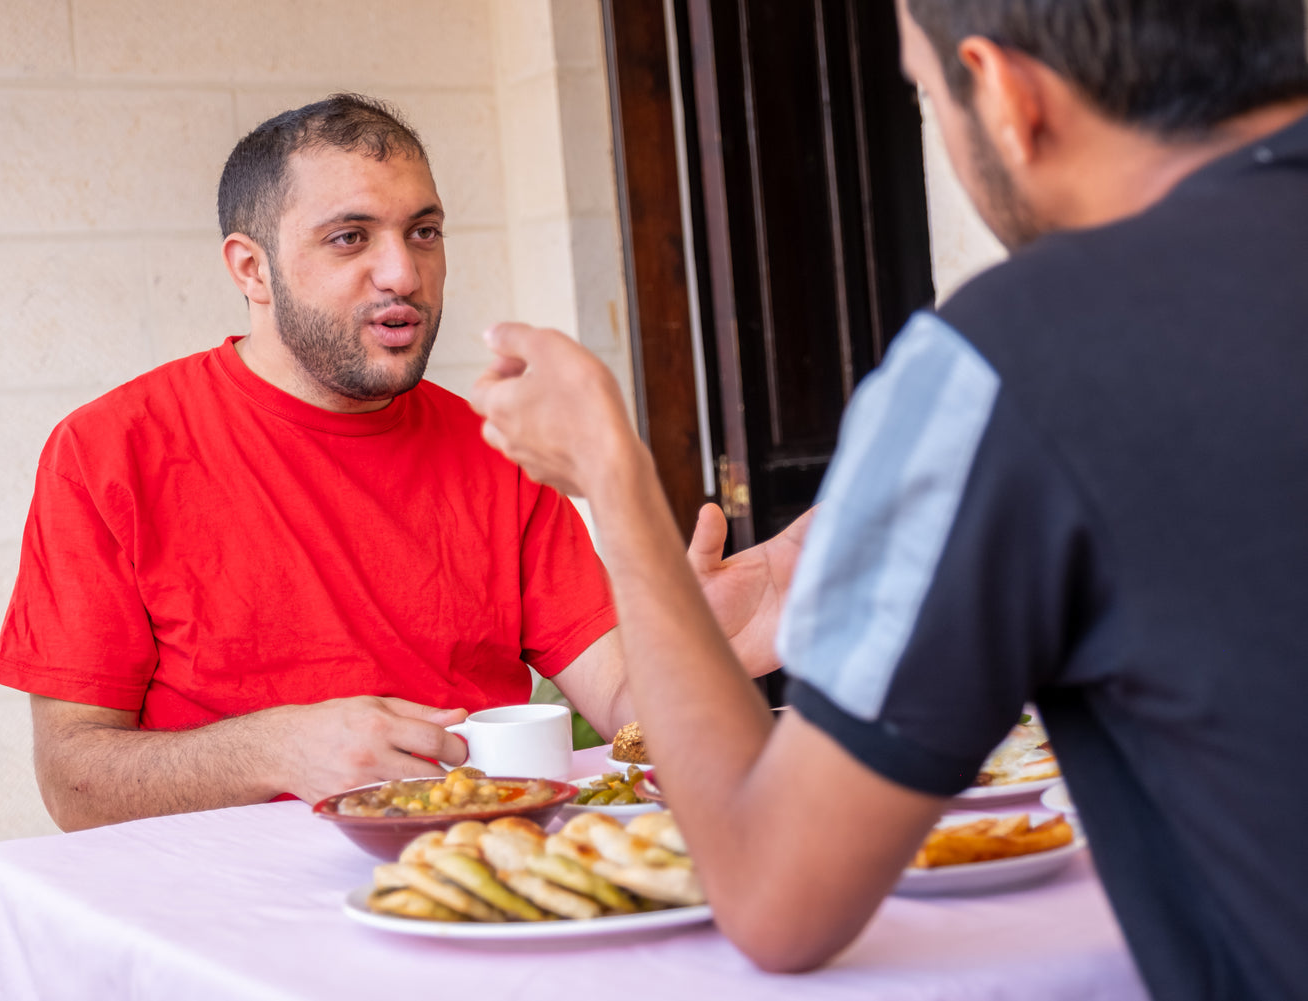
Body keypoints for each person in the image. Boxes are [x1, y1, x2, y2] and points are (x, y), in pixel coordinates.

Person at [469, 1, 1308, 998]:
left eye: (919, 96)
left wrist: (615, 486)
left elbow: (777, 896)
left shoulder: (1016, 347)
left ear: (1001, 92)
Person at [0, 94, 649, 832]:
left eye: (422, 232)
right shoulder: (109, 449)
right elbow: (73, 785)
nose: (402, 272)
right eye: (349, 238)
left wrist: (705, 641)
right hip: (221, 909)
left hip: (470, 878)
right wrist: (275, 749)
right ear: (252, 269)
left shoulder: (497, 448)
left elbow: (626, 709)